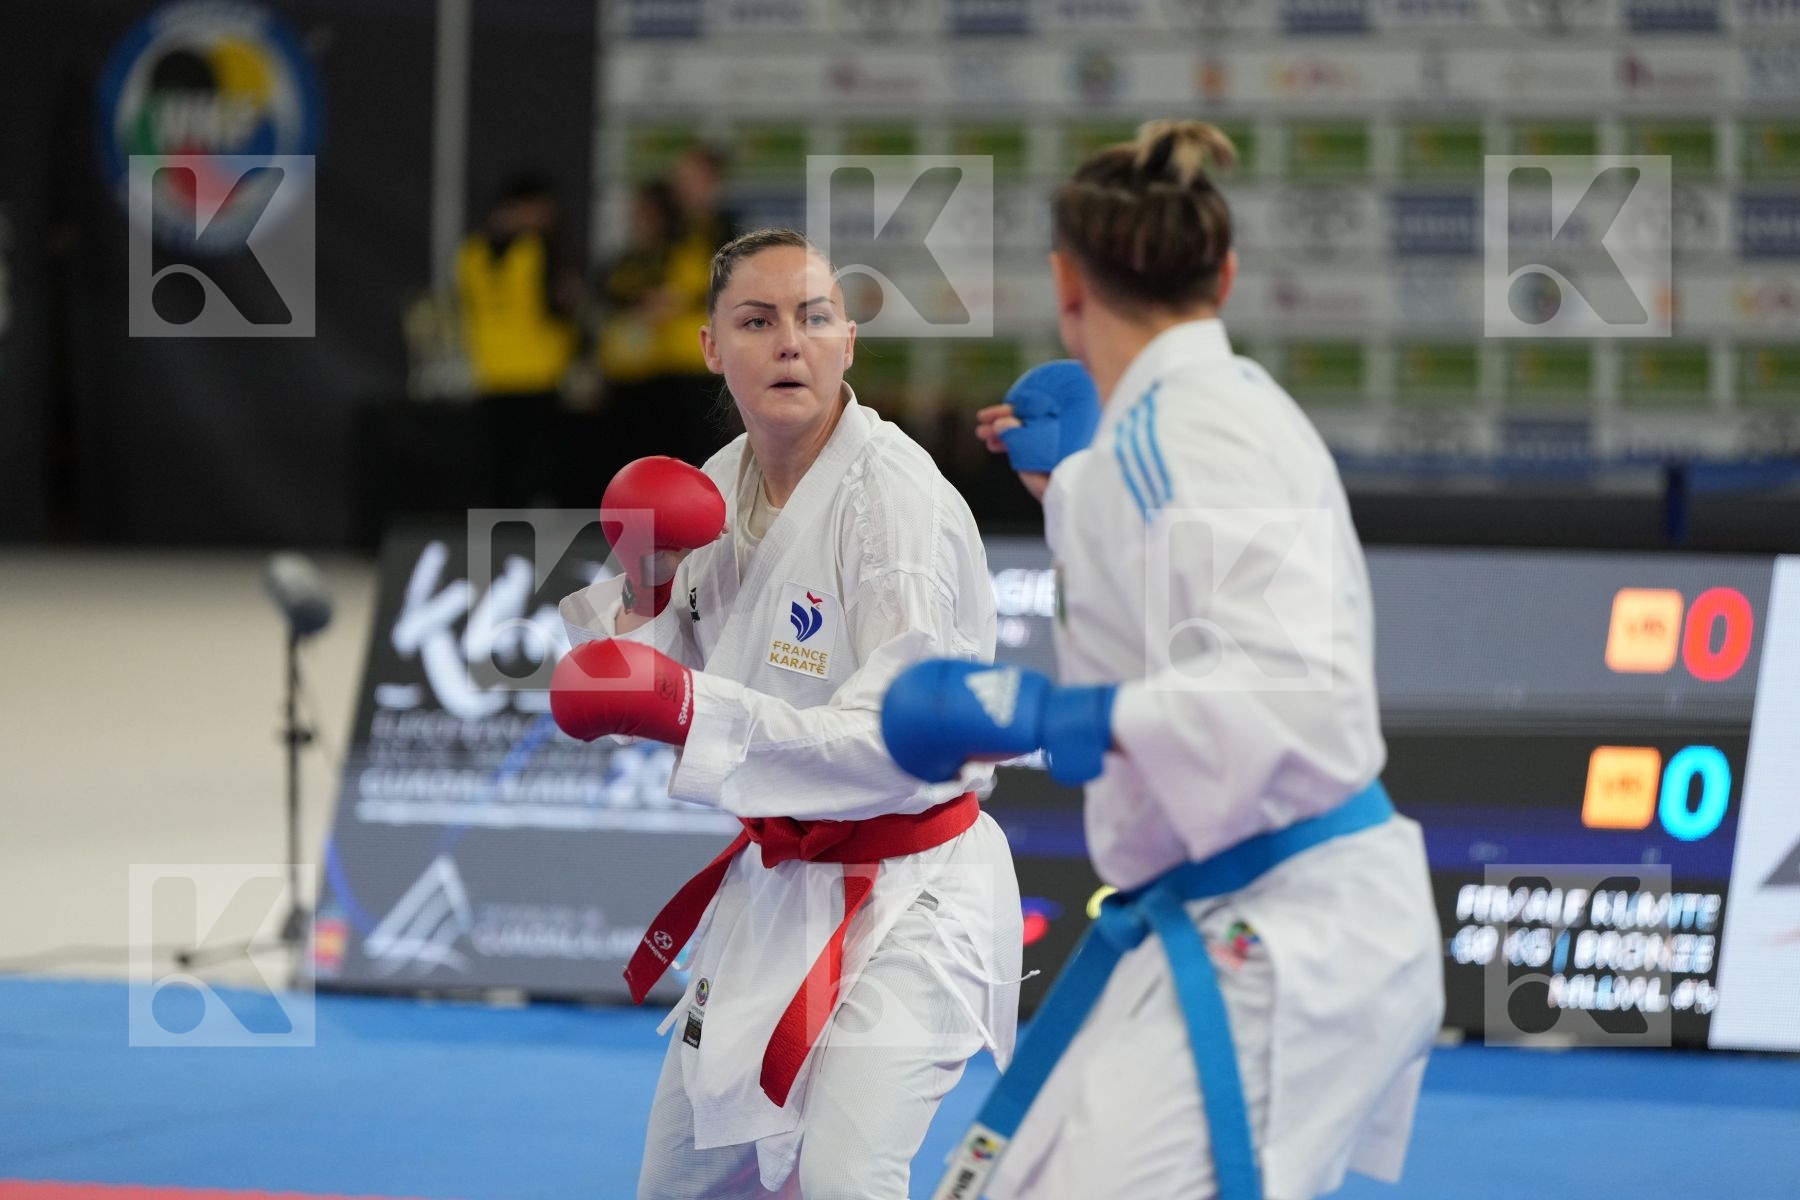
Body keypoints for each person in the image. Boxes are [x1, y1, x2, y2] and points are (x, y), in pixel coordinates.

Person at [879, 120, 1444, 1200]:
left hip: (1286, 925)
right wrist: (1075, 486)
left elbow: (1296, 689)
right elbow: (1184, 579)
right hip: (1230, 911)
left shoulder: (1194, 430)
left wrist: (1054, 714)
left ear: (1066, 285)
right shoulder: (1188, 425)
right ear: (1224, 276)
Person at [549, 228, 1023, 1199]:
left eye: (813, 319)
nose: (789, 343)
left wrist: (686, 705)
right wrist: (642, 591)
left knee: (849, 1177)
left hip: (914, 892)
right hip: (775, 889)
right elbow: (620, 681)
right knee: (679, 1185)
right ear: (712, 347)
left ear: (849, 339)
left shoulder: (895, 502)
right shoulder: (711, 487)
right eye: (756, 322)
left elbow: (902, 742)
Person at [455, 171, 580, 506]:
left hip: (496, 373)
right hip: (532, 375)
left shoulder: (471, 253)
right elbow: (564, 306)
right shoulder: (542, 248)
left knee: (503, 473)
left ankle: (504, 542)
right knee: (528, 473)